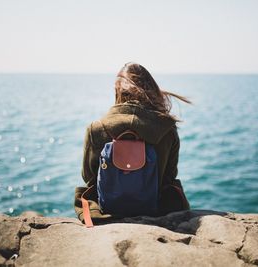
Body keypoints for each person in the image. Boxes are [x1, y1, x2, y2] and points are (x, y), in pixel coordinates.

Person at [74, 62, 191, 224]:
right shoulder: (167, 128)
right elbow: (170, 176)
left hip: (107, 211)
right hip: (156, 211)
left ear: (118, 92)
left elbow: (89, 176)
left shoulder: (96, 128)